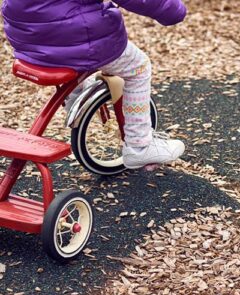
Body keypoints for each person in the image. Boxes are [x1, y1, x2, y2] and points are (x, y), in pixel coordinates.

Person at [2, 0, 186, 169]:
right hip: (74, 37)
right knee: (139, 68)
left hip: (28, 39)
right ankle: (140, 146)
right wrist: (174, 11)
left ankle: (76, 98)